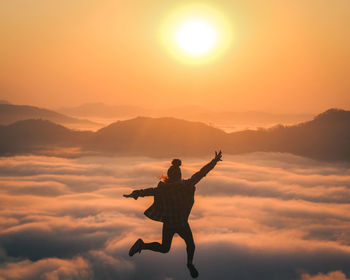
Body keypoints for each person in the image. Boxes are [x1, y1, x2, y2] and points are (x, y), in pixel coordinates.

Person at [123, 151, 222, 278]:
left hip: (169, 224)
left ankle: (142, 245)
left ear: (168, 176)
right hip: (181, 224)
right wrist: (213, 162)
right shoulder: (186, 185)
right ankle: (189, 263)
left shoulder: (161, 190)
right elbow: (201, 173)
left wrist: (134, 194)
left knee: (165, 248)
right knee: (190, 245)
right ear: (179, 175)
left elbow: (146, 192)